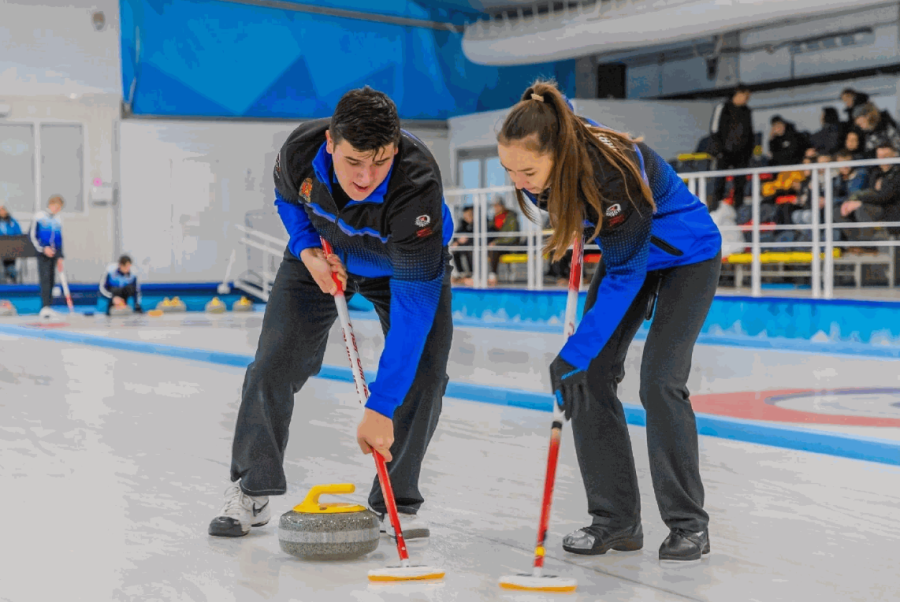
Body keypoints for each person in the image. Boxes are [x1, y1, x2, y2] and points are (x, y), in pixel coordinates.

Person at [209, 87, 454, 541]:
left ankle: (396, 499)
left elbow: (414, 309)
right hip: (323, 253)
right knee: (273, 362)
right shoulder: (300, 151)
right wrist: (306, 252)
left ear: (396, 149)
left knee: (424, 372)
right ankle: (251, 487)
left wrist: (381, 406)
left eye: (380, 162)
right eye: (353, 161)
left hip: (400, 267)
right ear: (330, 143)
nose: (366, 177)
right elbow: (288, 201)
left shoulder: (416, 184)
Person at [496, 80, 722, 563]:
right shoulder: (551, 146)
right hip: (630, 252)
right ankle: (615, 521)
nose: (519, 182)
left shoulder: (612, 169)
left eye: (528, 171)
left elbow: (624, 274)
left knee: (660, 381)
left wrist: (574, 351)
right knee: (590, 378)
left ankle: (688, 526)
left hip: (687, 256)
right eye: (509, 170)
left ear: (557, 151)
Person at [835, 143, 900, 251]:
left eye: (886, 156)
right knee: (838, 211)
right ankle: (856, 242)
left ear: (894, 156)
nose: (882, 159)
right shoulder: (875, 172)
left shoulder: (897, 173)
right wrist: (850, 201)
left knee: (862, 209)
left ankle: (868, 245)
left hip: (890, 208)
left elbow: (885, 197)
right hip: (876, 204)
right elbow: (871, 192)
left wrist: (860, 201)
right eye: (880, 156)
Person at [708, 84, 754, 211]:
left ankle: (738, 210)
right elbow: (714, 129)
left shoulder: (747, 111)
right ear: (738, 94)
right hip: (724, 152)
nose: (747, 99)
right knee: (719, 183)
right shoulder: (722, 107)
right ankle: (715, 210)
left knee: (740, 183)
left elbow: (750, 132)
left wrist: (748, 152)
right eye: (745, 96)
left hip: (742, 154)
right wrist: (718, 151)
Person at [30, 195, 64, 318]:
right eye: (56, 206)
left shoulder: (57, 220)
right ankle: (44, 306)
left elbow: (59, 239)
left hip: (54, 254)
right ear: (50, 204)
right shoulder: (39, 217)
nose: (57, 209)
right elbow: (33, 235)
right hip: (43, 254)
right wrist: (43, 249)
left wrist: (60, 256)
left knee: (51, 280)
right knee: (44, 279)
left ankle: (49, 306)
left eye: (59, 208)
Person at [487, 197, 522, 285]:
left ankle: (493, 275)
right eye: (494, 206)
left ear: (502, 206)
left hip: (510, 245)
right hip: (497, 245)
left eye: (497, 206)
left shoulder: (511, 218)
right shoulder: (494, 219)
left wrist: (497, 242)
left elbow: (512, 236)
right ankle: (473, 274)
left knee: (493, 249)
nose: (496, 208)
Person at [450, 205, 474, 283]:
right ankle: (461, 272)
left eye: (469, 215)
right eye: (465, 215)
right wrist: (457, 241)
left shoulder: (480, 223)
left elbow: (478, 236)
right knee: (454, 250)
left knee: (468, 249)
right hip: (464, 245)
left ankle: (472, 273)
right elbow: (458, 234)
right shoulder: (463, 223)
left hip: (474, 246)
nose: (467, 217)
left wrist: (467, 239)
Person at [0, 204, 23, 283]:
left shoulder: (12, 221)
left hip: (10, 250)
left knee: (11, 268)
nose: (2, 212)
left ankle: (14, 284)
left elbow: (18, 233)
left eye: (3, 210)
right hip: (1, 248)